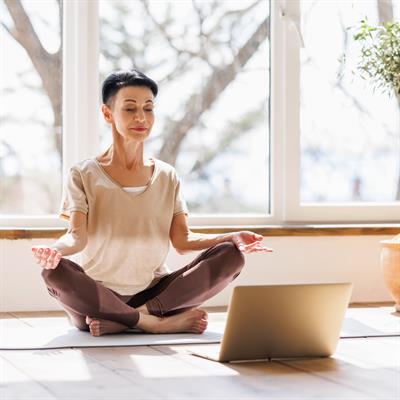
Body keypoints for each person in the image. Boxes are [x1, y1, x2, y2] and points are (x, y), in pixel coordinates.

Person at [31, 69, 273, 337]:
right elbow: (76, 237)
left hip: (155, 295)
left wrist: (232, 236)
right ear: (108, 113)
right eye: (130, 108)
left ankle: (133, 318)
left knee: (230, 255)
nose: (141, 117)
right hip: (99, 294)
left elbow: (182, 241)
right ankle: (152, 323)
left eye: (148, 108)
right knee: (53, 273)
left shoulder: (167, 176)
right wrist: (53, 252)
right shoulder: (83, 174)